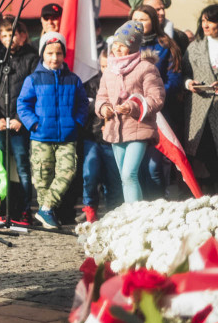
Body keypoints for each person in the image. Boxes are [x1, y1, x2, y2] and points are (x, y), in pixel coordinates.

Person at [16, 33, 88, 229]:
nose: (54, 58)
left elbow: (82, 104)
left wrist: (77, 122)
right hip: (41, 137)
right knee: (42, 178)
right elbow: (23, 104)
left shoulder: (73, 79)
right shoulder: (34, 79)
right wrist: (34, 124)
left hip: (67, 137)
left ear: (64, 55)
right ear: (42, 54)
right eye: (49, 53)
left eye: (58, 53)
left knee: (67, 171)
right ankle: (47, 216)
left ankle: (46, 208)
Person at [95, 21, 165, 204]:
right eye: (116, 44)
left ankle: (135, 215)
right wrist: (104, 109)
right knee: (124, 177)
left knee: (129, 174)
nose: (117, 49)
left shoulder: (146, 68)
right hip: (115, 130)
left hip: (139, 128)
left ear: (133, 47)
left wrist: (132, 107)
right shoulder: (109, 70)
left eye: (123, 46)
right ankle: (132, 211)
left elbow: (156, 98)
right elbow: (101, 96)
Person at [0, 16, 38, 222]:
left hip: (19, 123)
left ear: (22, 36)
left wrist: (20, 118)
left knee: (22, 165)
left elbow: (34, 93)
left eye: (12, 34)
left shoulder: (31, 59)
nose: (9, 38)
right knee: (1, 164)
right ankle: (3, 208)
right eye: (4, 35)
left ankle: (24, 208)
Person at [130, 4, 182, 197]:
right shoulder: (125, 45)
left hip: (158, 114)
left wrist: (152, 99)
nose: (138, 23)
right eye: (135, 19)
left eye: (143, 19)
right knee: (136, 167)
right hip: (132, 114)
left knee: (154, 166)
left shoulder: (165, 44)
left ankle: (157, 203)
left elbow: (174, 79)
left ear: (153, 21)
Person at [79, 52, 122, 222]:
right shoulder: (91, 83)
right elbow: (84, 106)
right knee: (90, 173)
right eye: (103, 66)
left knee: (113, 178)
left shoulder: (120, 81)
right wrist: (99, 106)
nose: (106, 70)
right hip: (92, 137)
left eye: (109, 66)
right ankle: (90, 208)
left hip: (112, 140)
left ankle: (113, 211)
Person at [183, 4, 218, 193]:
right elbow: (184, 74)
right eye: (203, 20)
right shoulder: (194, 46)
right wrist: (189, 83)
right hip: (199, 110)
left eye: (210, 20)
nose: (205, 24)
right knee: (202, 156)